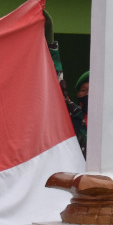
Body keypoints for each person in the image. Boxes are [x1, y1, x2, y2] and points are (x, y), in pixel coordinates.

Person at [44, 11, 87, 154]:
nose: (89, 94)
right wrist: (49, 41)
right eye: (84, 90)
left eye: (94, 90)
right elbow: (54, 86)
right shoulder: (72, 115)